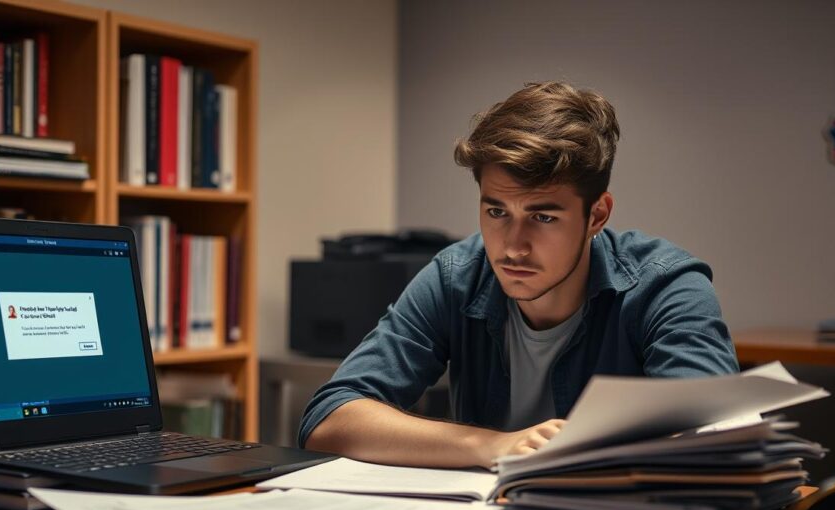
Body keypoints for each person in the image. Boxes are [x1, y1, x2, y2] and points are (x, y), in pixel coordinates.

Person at [299, 81, 738, 468]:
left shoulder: (666, 285)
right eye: (496, 211)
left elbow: (714, 436)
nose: (512, 245)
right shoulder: (456, 276)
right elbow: (331, 416)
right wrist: (492, 445)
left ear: (596, 215)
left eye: (543, 217)